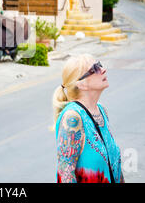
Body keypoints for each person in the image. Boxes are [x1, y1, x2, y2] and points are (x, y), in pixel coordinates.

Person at [52, 54, 124, 183]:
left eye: (100, 65)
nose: (103, 70)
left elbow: (114, 167)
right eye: (95, 68)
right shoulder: (73, 118)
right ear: (81, 84)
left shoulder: (101, 110)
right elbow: (65, 175)